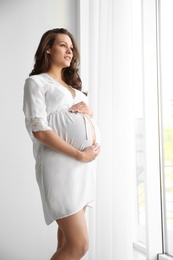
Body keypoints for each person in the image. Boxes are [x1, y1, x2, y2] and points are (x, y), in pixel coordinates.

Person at [23, 28, 100, 260]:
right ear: (48, 48)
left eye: (71, 47)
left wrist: (89, 112)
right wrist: (79, 155)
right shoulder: (36, 83)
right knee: (79, 245)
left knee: (66, 241)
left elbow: (82, 122)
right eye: (63, 45)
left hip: (82, 169)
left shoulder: (76, 90)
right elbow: (40, 130)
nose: (70, 50)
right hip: (60, 166)